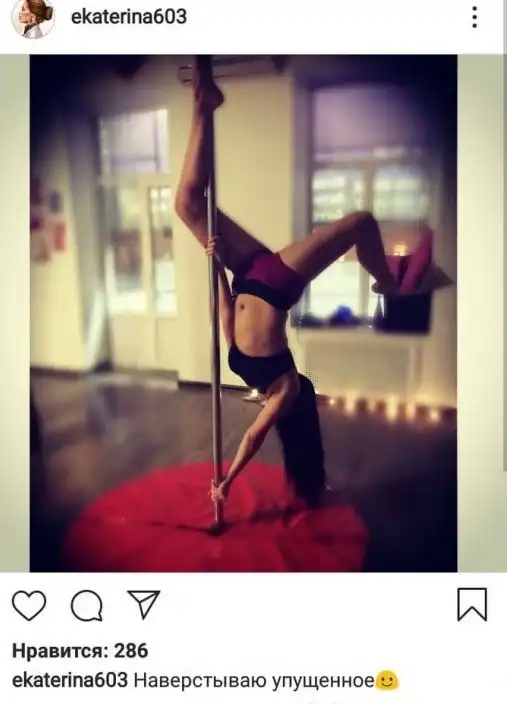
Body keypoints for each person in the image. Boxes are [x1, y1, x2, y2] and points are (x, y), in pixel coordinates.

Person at [175, 58, 401, 508]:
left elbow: (226, 313)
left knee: (186, 205)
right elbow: (254, 438)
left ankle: (204, 102)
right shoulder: (288, 389)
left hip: (244, 272)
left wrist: (214, 262)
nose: (268, 410)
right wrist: (229, 481)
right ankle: (386, 282)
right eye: (274, 412)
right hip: (276, 281)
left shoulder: (243, 370)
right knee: (361, 222)